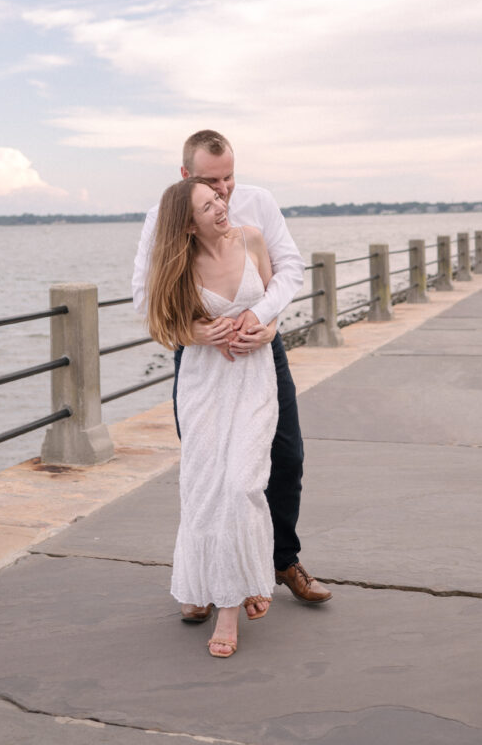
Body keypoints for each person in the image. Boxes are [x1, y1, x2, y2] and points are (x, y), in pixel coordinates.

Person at [132, 130, 332, 622]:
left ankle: (281, 562)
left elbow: (288, 269)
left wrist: (262, 318)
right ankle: (204, 580)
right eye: (210, 181)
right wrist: (200, 333)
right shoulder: (164, 217)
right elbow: (145, 296)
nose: (223, 192)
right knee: (206, 472)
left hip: (262, 347)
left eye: (229, 178)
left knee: (286, 458)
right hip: (200, 357)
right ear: (186, 176)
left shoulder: (259, 204)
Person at [147, 176, 278, 657]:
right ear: (187, 224)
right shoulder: (179, 263)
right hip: (203, 384)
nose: (221, 207)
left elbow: (273, 307)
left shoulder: (253, 239)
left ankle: (230, 605)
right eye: (207, 206)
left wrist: (266, 331)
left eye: (219, 198)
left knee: (242, 483)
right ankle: (211, 583)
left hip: (253, 378)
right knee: (203, 487)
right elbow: (163, 324)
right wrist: (199, 334)